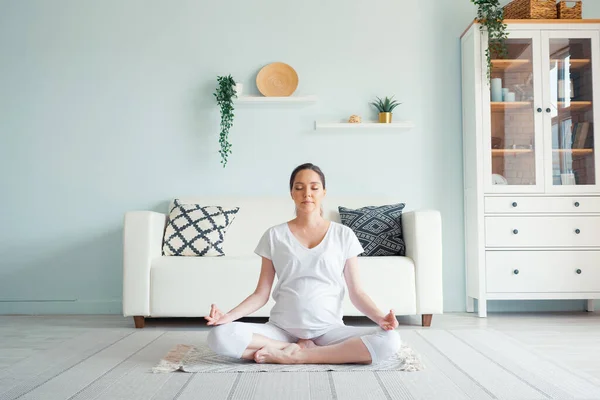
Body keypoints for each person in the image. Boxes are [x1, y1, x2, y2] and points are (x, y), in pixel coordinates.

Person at [205, 163, 401, 365]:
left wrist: (380, 318)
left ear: (323, 192)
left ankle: (295, 356)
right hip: (281, 331)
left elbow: (357, 292)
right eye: (299, 188)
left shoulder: (343, 234)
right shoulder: (274, 235)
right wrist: (228, 316)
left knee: (390, 340)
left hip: (330, 331)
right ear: (292, 193)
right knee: (219, 336)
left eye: (314, 187)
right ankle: (296, 349)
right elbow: (261, 294)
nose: (307, 193)